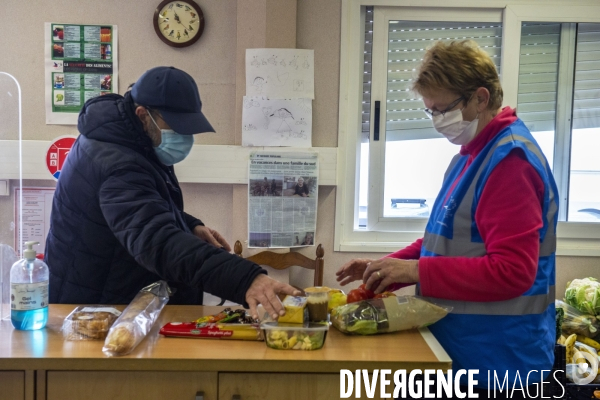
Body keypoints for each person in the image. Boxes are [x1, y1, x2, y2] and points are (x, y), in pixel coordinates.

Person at [336, 40, 559, 398]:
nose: (438, 121)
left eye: (443, 109)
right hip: (461, 350)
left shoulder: (510, 162)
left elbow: (513, 271)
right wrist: (391, 266)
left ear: (481, 98)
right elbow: (445, 239)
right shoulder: (470, 156)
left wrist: (415, 272)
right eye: (431, 111)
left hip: (499, 364)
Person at [45, 66, 299, 319]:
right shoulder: (118, 162)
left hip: (116, 297)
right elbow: (157, 241)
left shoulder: (129, 139)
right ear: (143, 114)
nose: (184, 136)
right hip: (96, 310)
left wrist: (187, 225)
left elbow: (142, 206)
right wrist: (245, 279)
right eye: (177, 127)